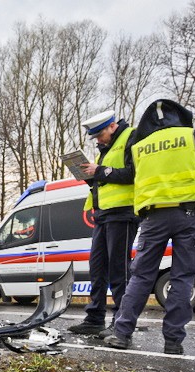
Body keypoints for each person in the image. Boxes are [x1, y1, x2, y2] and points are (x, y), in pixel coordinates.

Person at [105, 99, 195, 354]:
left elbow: (136, 178)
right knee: (182, 277)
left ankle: (121, 333)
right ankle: (173, 342)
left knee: (141, 275)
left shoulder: (139, 145)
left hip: (153, 217)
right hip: (189, 214)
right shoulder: (193, 136)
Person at [68, 110, 139, 338]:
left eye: (100, 134)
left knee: (119, 271)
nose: (98, 140)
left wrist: (99, 171)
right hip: (103, 216)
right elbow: (105, 180)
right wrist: (91, 176)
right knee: (97, 269)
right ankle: (95, 318)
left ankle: (121, 322)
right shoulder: (105, 152)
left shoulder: (132, 137)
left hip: (123, 213)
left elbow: (133, 173)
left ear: (112, 126)